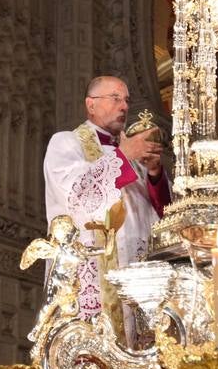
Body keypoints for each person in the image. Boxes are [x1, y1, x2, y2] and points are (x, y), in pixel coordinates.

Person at [43, 76, 170, 321]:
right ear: (91, 105)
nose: (124, 106)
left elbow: (162, 214)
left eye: (126, 100)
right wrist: (123, 156)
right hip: (90, 276)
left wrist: (154, 173)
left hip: (137, 277)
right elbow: (80, 197)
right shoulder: (66, 143)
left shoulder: (133, 154)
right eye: (115, 98)